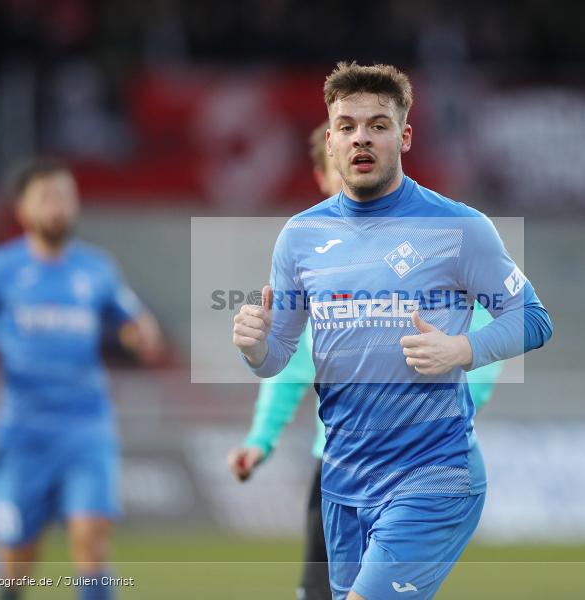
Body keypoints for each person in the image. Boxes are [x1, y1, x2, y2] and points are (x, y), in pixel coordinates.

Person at [232, 63, 552, 600]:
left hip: (432, 475)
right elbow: (278, 356)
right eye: (349, 125)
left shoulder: (458, 228)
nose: (362, 136)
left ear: (403, 137)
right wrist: (255, 344)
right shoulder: (300, 237)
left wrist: (463, 348)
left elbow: (534, 318)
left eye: (378, 125)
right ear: (330, 140)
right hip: (342, 482)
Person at [0, 158, 163, 600]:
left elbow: (135, 321)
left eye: (65, 196)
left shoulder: (97, 269)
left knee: (91, 539)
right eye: (46, 197)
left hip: (86, 426)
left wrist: (142, 336)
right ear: (22, 209)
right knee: (18, 564)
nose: (57, 206)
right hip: (23, 433)